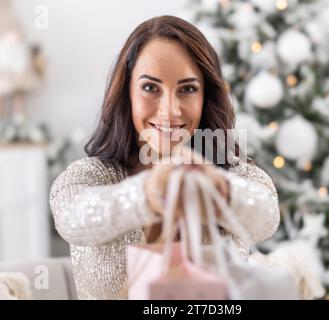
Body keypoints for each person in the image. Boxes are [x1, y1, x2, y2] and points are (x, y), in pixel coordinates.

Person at [49, 15, 280, 300]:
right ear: (127, 93)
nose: (169, 111)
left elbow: (266, 217)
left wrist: (214, 185)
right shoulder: (88, 177)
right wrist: (149, 191)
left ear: (205, 96)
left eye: (187, 89)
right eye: (150, 88)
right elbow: (73, 218)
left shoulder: (236, 174)